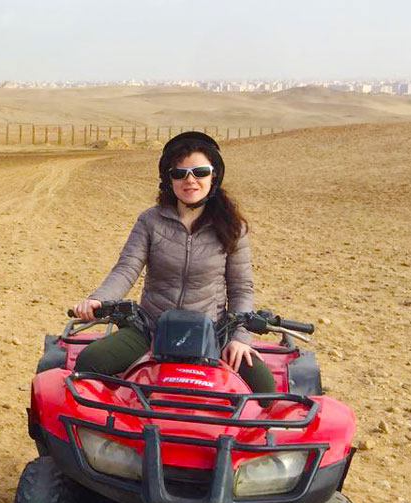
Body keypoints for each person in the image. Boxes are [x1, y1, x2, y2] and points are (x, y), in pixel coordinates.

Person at [70, 132, 276, 393]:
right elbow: (127, 268)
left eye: (200, 172)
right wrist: (98, 299)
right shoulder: (150, 221)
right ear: (169, 179)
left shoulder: (232, 227)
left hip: (212, 331)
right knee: (90, 362)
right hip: (152, 328)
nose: (190, 180)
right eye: (180, 173)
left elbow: (241, 288)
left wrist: (239, 338)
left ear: (214, 175)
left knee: (265, 387)